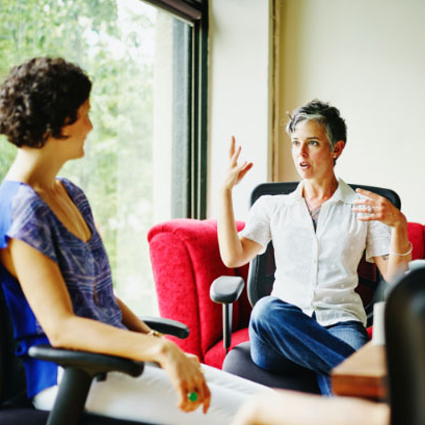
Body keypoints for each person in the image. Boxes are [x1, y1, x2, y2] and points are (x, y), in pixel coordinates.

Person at [0, 57, 271, 425]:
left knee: (271, 402)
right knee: (259, 418)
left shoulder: (70, 194)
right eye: (84, 114)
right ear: (57, 122)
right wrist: (157, 350)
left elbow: (99, 295)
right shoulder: (20, 210)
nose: (91, 125)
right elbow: (61, 327)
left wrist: (156, 341)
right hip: (73, 378)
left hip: (122, 364)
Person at [218, 99, 411, 395]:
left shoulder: (362, 208)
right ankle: (377, 380)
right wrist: (225, 192)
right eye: (296, 143)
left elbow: (395, 277)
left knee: (344, 396)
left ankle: (357, 378)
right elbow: (233, 255)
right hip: (279, 332)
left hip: (341, 324)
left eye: (312, 143)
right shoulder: (272, 206)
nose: (300, 153)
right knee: (266, 310)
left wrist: (398, 226)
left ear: (336, 149)